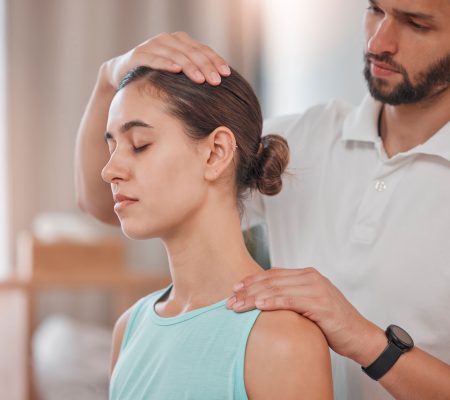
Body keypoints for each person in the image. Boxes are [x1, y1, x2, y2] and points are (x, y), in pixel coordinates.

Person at [75, 0, 450, 399]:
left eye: (416, 23)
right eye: (375, 10)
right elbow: (105, 203)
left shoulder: (283, 340)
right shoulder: (303, 141)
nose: (379, 42)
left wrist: (367, 341)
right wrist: (108, 78)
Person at [97, 65, 332, 400]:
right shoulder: (129, 330)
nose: (109, 171)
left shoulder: (282, 341)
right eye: (112, 148)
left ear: (216, 153)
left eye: (139, 145)